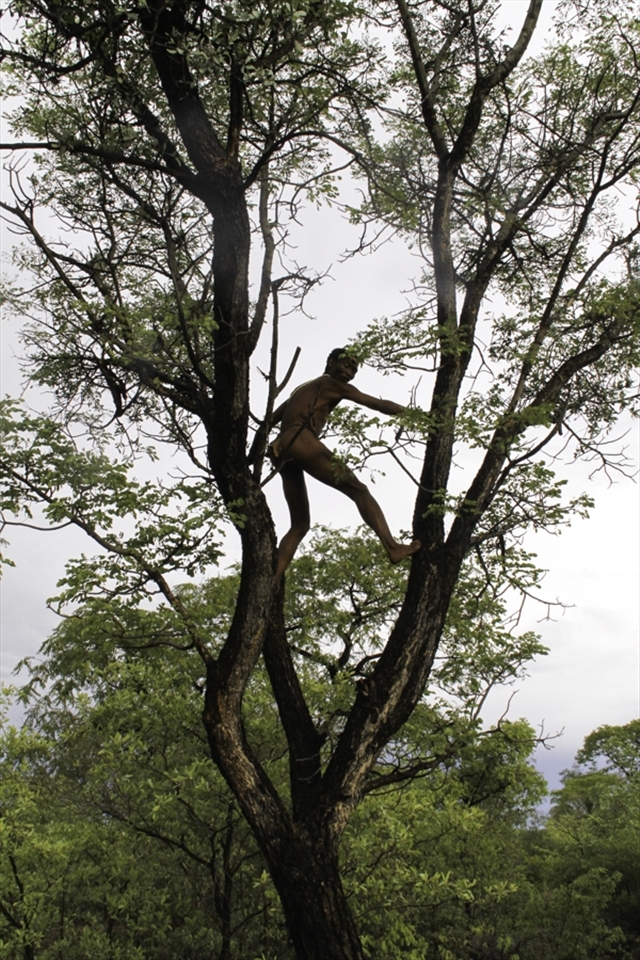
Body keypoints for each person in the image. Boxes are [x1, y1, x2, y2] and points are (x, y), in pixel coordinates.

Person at [269, 347, 421, 582]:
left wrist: (254, 456)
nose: (350, 371)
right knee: (358, 489)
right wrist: (417, 416)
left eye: (355, 369)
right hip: (300, 439)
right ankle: (392, 547)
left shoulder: (303, 389)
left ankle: (272, 580)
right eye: (347, 364)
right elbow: (376, 404)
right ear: (330, 362)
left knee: (300, 524)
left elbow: (269, 421)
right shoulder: (330, 383)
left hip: (282, 448)